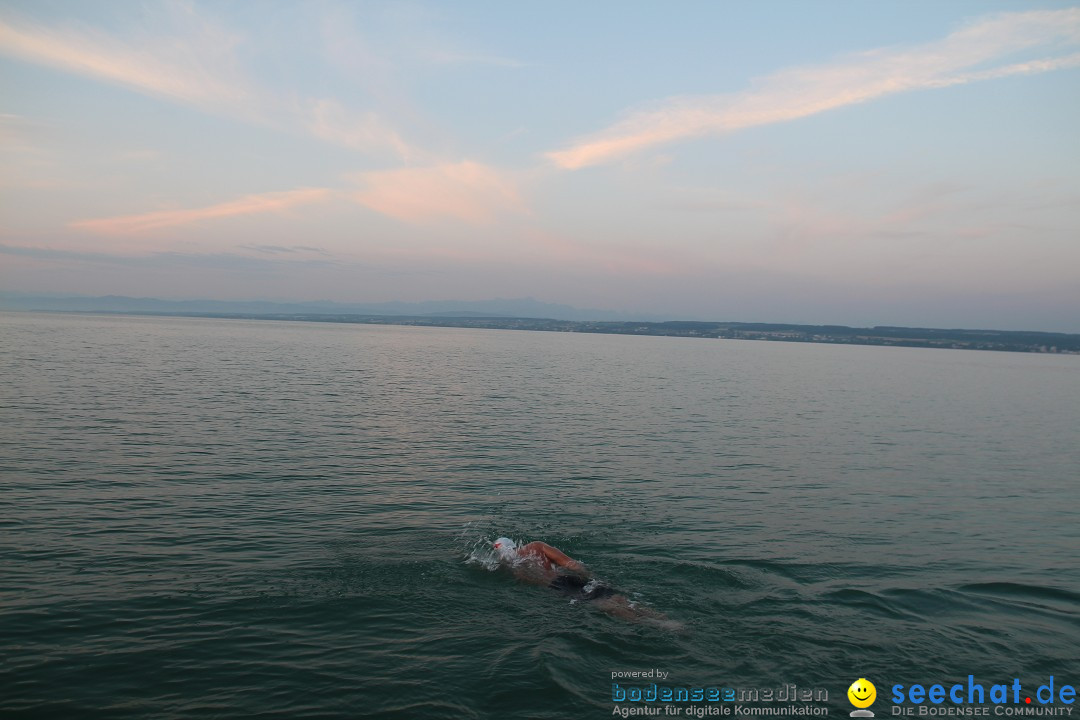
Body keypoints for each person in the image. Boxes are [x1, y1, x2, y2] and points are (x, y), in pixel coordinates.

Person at [492, 538, 670, 624]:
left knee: (604, 605)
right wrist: (589, 576)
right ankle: (662, 618)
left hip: (557, 587)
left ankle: (655, 625)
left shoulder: (509, 566)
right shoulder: (536, 547)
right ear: (513, 543)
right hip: (569, 578)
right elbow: (572, 564)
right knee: (618, 598)